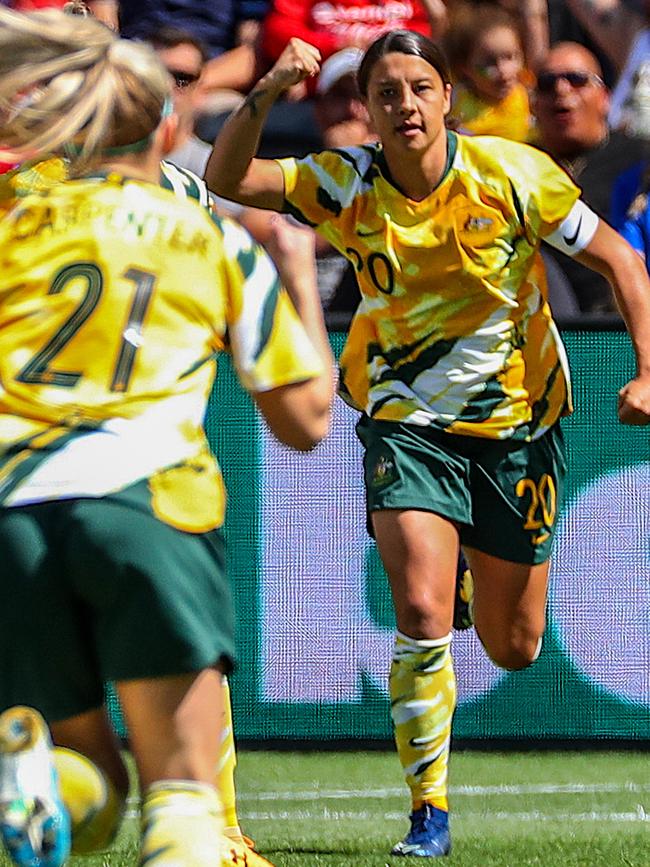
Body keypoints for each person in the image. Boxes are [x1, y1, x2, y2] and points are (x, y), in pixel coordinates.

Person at [205, 29, 650, 858]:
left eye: (418, 88)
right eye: (386, 93)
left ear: (447, 98)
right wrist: (266, 91)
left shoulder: (514, 175)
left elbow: (625, 262)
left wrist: (648, 370)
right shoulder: (343, 183)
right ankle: (428, 811)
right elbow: (226, 177)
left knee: (513, 649)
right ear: (368, 110)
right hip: (405, 426)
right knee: (418, 608)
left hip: (519, 428)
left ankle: (483, 592)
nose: (404, 104)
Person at [0, 8, 333, 867]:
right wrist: (297, 277)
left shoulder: (14, 225)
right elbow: (306, 423)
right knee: (180, 808)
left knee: (91, 790)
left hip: (16, 514)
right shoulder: (205, 232)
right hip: (143, 497)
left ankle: (32, 781)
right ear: (173, 125)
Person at [532, 41, 648, 313]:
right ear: (533, 103)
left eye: (576, 80)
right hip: (540, 320)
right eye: (547, 84)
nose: (561, 89)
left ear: (605, 97)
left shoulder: (640, 160)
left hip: (617, 320)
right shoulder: (517, 164)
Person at [444, 5, 534, 141]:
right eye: (489, 62)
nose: (503, 71)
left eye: (510, 57)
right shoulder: (453, 104)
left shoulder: (530, 96)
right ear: (464, 67)